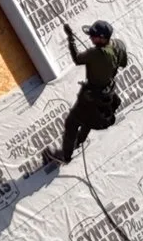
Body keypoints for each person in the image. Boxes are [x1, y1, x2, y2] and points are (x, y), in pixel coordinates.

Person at [46, 20, 130, 166]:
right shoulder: (116, 47)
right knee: (90, 120)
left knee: (72, 123)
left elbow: (77, 59)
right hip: (106, 94)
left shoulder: (95, 53)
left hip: (90, 97)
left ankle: (65, 156)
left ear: (103, 38)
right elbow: (123, 63)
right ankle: (79, 141)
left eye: (94, 36)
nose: (90, 38)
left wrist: (70, 38)